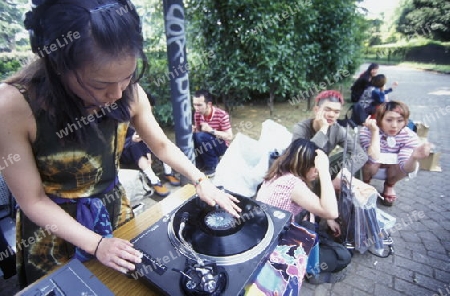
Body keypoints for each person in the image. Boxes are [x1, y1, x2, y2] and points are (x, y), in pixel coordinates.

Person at [0, 0, 240, 288]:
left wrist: (200, 180)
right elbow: (32, 200)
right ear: (57, 63)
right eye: (100, 86)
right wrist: (97, 244)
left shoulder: (128, 91)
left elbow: (161, 145)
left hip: (115, 213)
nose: (116, 94)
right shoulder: (13, 105)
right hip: (53, 232)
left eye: (127, 78)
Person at [255, 139, 341, 290]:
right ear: (303, 165)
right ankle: (310, 272)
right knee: (342, 256)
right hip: (278, 248)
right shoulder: (292, 184)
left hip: (266, 234)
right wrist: (325, 171)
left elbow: (320, 209)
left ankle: (311, 264)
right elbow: (332, 211)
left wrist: (328, 219)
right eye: (315, 168)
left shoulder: (278, 173)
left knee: (314, 220)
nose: (316, 172)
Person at [360, 101, 432, 206]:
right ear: (380, 120)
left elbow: (406, 168)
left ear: (405, 121)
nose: (394, 126)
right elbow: (372, 157)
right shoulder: (367, 131)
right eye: (389, 120)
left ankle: (389, 185)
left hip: (393, 169)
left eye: (400, 121)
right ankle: (365, 184)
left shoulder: (409, 136)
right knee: (367, 158)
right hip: (371, 167)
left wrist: (414, 158)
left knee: (408, 163)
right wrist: (375, 132)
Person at [292, 90, 368, 177]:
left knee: (349, 156)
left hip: (322, 171)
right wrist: (323, 129)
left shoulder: (337, 130)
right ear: (316, 110)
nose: (332, 115)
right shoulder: (301, 128)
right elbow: (303, 158)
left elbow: (361, 155)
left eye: (336, 112)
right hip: (301, 172)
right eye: (327, 110)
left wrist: (343, 175)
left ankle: (346, 189)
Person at [120, 126, 180, 197]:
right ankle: (154, 181)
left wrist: (148, 152)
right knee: (135, 146)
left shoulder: (129, 120)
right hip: (125, 152)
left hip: (139, 144)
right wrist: (131, 140)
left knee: (157, 137)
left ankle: (168, 172)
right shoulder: (108, 125)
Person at [192, 89, 233, 177]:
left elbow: (229, 137)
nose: (196, 108)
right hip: (207, 142)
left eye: (199, 105)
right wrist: (193, 130)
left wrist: (211, 130)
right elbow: (198, 133)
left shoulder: (222, 115)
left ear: (209, 104)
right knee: (194, 136)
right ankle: (200, 164)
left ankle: (212, 166)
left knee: (201, 136)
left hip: (221, 145)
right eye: (194, 105)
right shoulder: (197, 114)